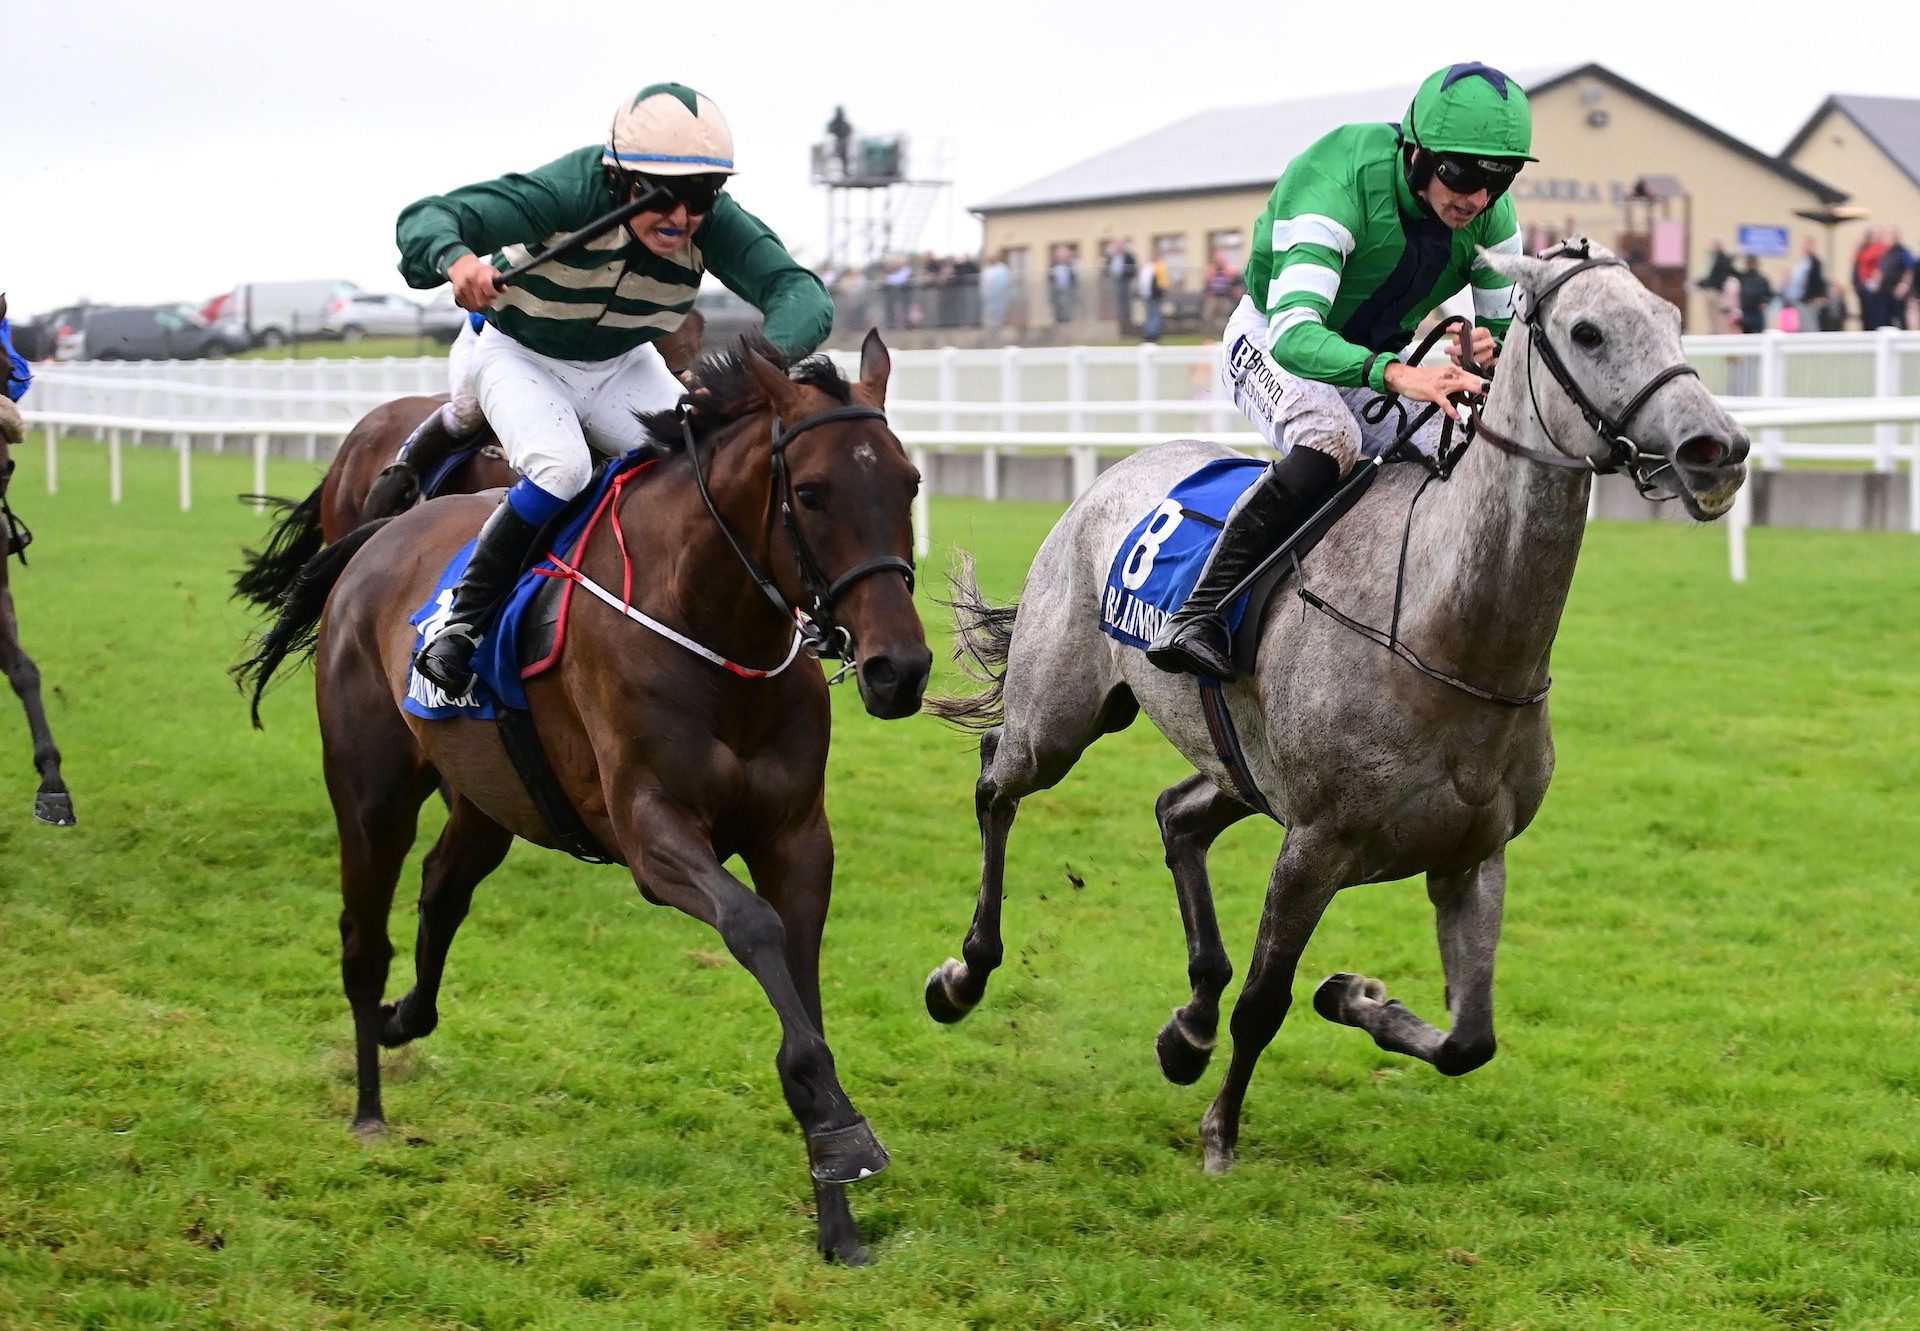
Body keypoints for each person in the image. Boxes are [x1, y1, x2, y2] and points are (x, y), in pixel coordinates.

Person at [397, 82, 832, 698]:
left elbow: (802, 294)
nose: (682, 218)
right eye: (664, 196)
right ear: (619, 178)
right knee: (563, 470)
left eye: (703, 196)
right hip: (520, 355)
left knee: (700, 466)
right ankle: (462, 622)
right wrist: (457, 259)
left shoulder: (712, 222)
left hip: (622, 363)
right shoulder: (569, 190)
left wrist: (742, 375)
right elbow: (428, 218)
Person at [1148, 61, 1531, 681]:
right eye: (1460, 173)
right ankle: (1199, 610)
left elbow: (1509, 337)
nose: (1478, 198)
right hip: (1273, 336)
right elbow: (1298, 336)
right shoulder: (1337, 181)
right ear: (1416, 151)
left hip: (1368, 362)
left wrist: (1490, 353)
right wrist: (1402, 375)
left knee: (1465, 447)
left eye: (1500, 178)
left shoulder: (1492, 216)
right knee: (1332, 440)